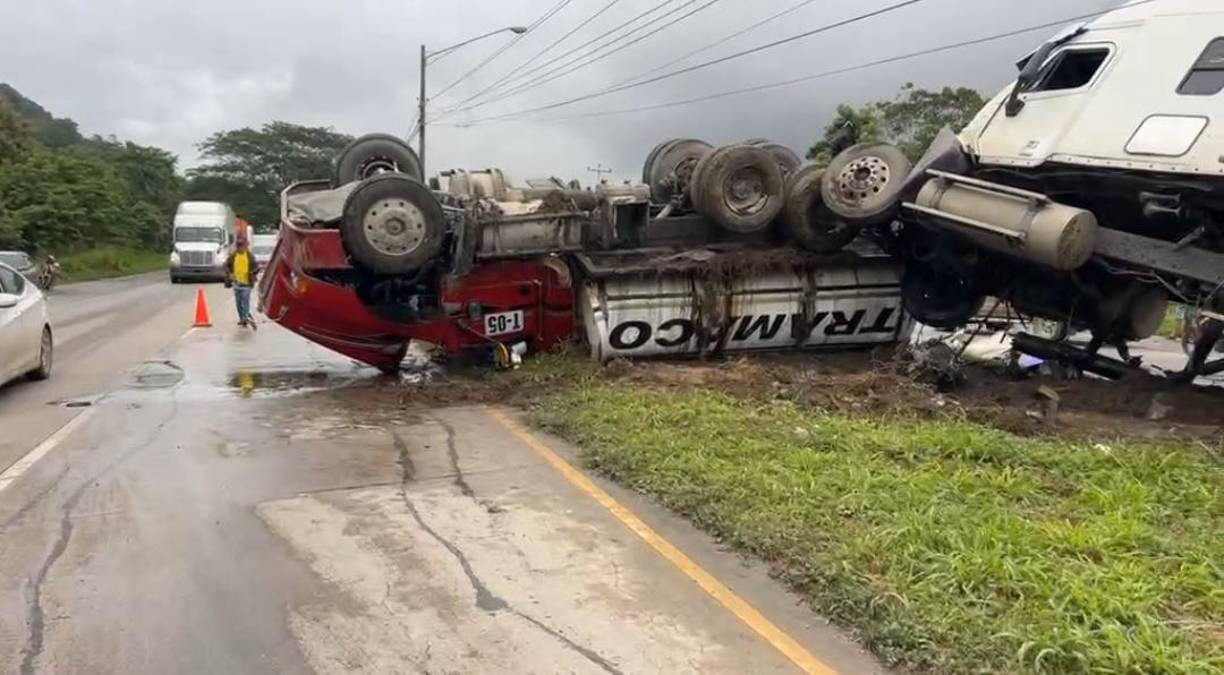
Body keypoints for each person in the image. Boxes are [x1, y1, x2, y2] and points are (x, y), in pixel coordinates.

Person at [225, 236, 260, 328]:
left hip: (247, 284)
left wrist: (252, 273)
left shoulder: (249, 256)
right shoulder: (233, 256)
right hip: (236, 283)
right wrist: (230, 274)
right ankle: (242, 318)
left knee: (245, 302)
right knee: (238, 303)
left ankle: (245, 318)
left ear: (245, 246)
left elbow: (257, 267)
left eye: (242, 245)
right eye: (238, 245)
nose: (240, 247)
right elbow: (226, 265)